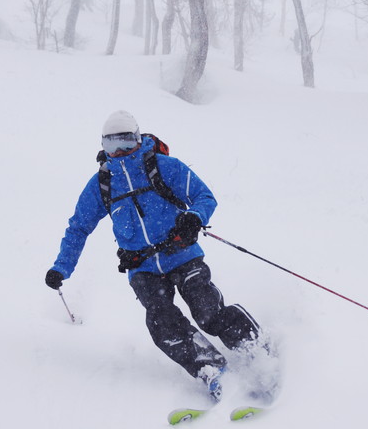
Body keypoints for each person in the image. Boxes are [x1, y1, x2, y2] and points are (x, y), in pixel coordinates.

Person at [45, 110, 264, 401]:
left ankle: (258, 354)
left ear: (138, 139)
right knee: (162, 323)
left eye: (125, 142)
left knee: (208, 312)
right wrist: (62, 267)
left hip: (182, 254)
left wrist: (194, 217)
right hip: (143, 267)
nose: (119, 151)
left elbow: (203, 196)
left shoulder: (164, 167)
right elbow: (78, 228)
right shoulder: (102, 184)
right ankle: (211, 369)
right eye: (111, 145)